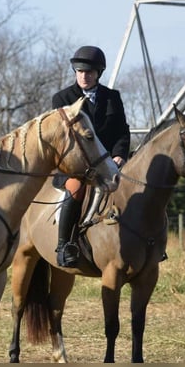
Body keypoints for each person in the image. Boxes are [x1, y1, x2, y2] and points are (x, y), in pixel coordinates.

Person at [52, 45, 130, 267]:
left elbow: (122, 132)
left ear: (99, 73)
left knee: (138, 183)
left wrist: (119, 155)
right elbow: (61, 138)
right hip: (74, 165)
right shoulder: (61, 98)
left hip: (108, 163)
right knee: (76, 189)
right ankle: (64, 245)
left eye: (89, 72)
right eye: (80, 71)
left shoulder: (112, 98)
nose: (84, 76)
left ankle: (147, 243)